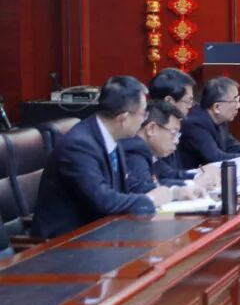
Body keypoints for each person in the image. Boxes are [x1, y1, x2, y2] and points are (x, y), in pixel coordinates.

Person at [32, 76, 173, 239]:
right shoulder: (79, 146)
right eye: (143, 114)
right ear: (123, 118)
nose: (144, 120)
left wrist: (173, 192)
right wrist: (150, 199)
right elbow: (104, 200)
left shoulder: (110, 135)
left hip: (100, 230)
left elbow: (127, 187)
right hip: (66, 240)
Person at [147, 67, 218, 187]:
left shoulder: (175, 125)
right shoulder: (152, 133)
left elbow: (168, 173)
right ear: (169, 101)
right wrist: (194, 183)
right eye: (187, 101)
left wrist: (198, 175)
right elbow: (151, 183)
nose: (190, 106)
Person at [122, 100, 207, 196]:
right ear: (151, 129)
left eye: (178, 135)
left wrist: (198, 175)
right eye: (173, 132)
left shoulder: (149, 151)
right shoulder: (134, 151)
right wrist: (190, 184)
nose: (176, 141)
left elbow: (168, 174)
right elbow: (145, 188)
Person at [178, 76, 240, 168]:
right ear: (217, 107)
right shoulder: (195, 124)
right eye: (235, 101)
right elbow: (216, 157)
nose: (239, 105)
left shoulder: (220, 120)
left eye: (238, 100)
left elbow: (232, 146)